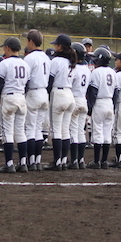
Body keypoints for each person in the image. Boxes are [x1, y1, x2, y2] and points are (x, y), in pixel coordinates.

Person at [0, 37, 31, 173]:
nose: (4, 50)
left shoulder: (4, 63)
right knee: (20, 132)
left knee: (7, 132)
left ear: (8, 48)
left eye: (4, 47)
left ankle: (9, 164)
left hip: (8, 97)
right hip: (21, 97)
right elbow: (28, 85)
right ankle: (23, 163)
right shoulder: (25, 64)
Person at [45, 34, 77, 171]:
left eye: (56, 44)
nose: (54, 46)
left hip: (58, 94)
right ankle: (63, 160)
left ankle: (57, 162)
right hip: (70, 94)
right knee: (65, 130)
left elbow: (50, 81)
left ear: (60, 46)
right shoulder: (72, 62)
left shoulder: (56, 60)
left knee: (56, 130)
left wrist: (45, 94)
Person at [23, 29, 50, 171]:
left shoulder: (30, 58)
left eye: (27, 40)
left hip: (33, 93)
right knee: (38, 129)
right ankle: (37, 160)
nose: (26, 43)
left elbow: (26, 79)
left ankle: (30, 161)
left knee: (30, 128)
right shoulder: (46, 57)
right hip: (44, 93)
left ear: (31, 42)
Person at [86, 47, 117, 169]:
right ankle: (104, 161)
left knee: (98, 132)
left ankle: (96, 161)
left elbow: (93, 91)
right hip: (109, 102)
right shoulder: (113, 72)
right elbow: (116, 92)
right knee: (106, 133)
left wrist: (90, 108)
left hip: (99, 103)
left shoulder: (96, 72)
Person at [69, 42, 91, 169]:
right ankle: (81, 160)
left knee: (72, 131)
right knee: (80, 131)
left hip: (74, 99)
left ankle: (74, 161)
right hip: (83, 100)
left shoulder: (74, 68)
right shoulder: (87, 69)